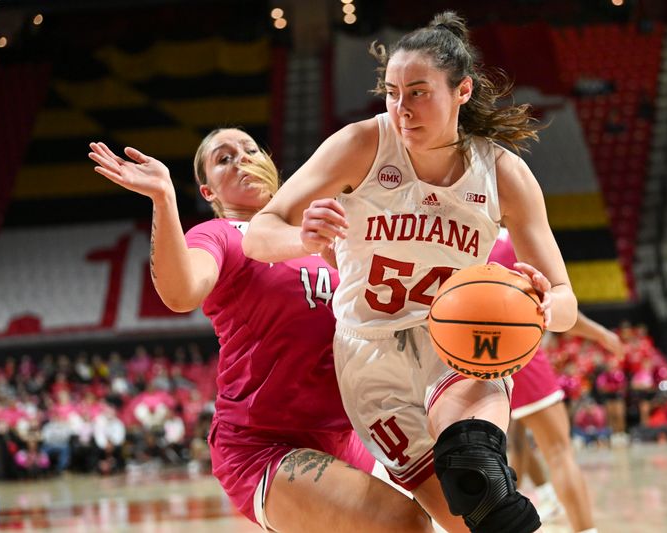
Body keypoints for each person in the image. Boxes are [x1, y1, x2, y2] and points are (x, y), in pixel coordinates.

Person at [244, 11, 578, 533]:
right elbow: (258, 233)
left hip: (460, 342)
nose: (401, 108)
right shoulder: (360, 145)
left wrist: (545, 304)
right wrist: (302, 240)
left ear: (462, 90)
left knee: (477, 475)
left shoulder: (504, 174)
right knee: (462, 517)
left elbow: (564, 299)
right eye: (392, 92)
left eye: (418, 92)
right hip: (369, 357)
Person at [88, 130, 432, 533]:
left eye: (250, 149)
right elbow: (181, 294)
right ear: (209, 191)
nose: (241, 159)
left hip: (344, 432)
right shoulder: (217, 235)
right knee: (404, 524)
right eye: (224, 158)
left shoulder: (318, 232)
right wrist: (164, 198)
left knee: (453, 514)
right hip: (263, 443)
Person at [490, 229, 620, 533]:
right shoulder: (514, 239)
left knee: (503, 452)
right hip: (519, 351)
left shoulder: (451, 233)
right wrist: (600, 333)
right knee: (558, 453)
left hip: (469, 354)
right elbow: (557, 308)